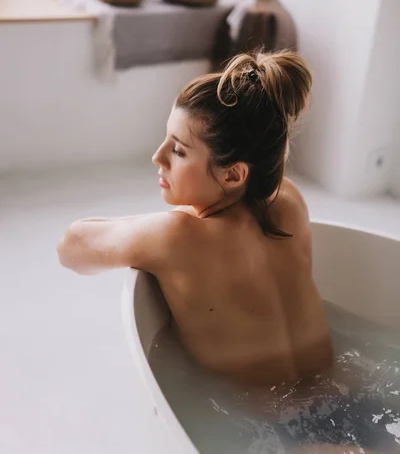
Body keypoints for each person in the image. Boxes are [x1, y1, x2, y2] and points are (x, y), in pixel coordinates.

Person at [57, 49, 333, 386]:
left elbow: (70, 247)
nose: (157, 157)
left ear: (233, 175)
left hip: (277, 429)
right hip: (343, 391)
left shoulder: (177, 236)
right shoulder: (290, 200)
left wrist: (162, 224)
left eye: (178, 150)